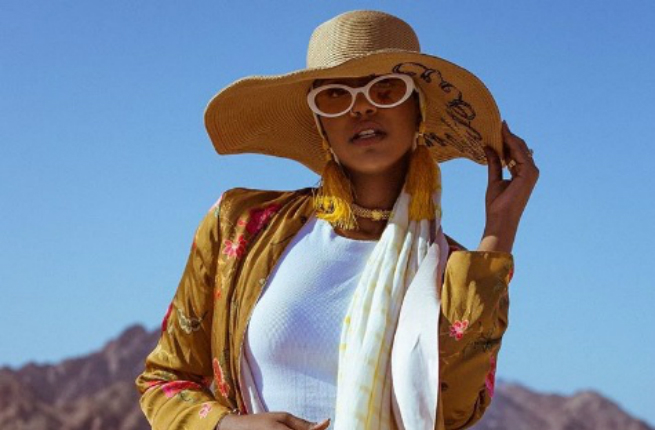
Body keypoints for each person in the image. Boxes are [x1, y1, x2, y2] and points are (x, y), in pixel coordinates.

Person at [135, 10, 538, 430]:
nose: (361, 107)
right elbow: (164, 380)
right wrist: (229, 426)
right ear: (320, 125)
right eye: (335, 96)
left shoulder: (451, 271)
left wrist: (499, 231)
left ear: (418, 111)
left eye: (385, 89)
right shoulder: (240, 225)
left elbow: (454, 410)